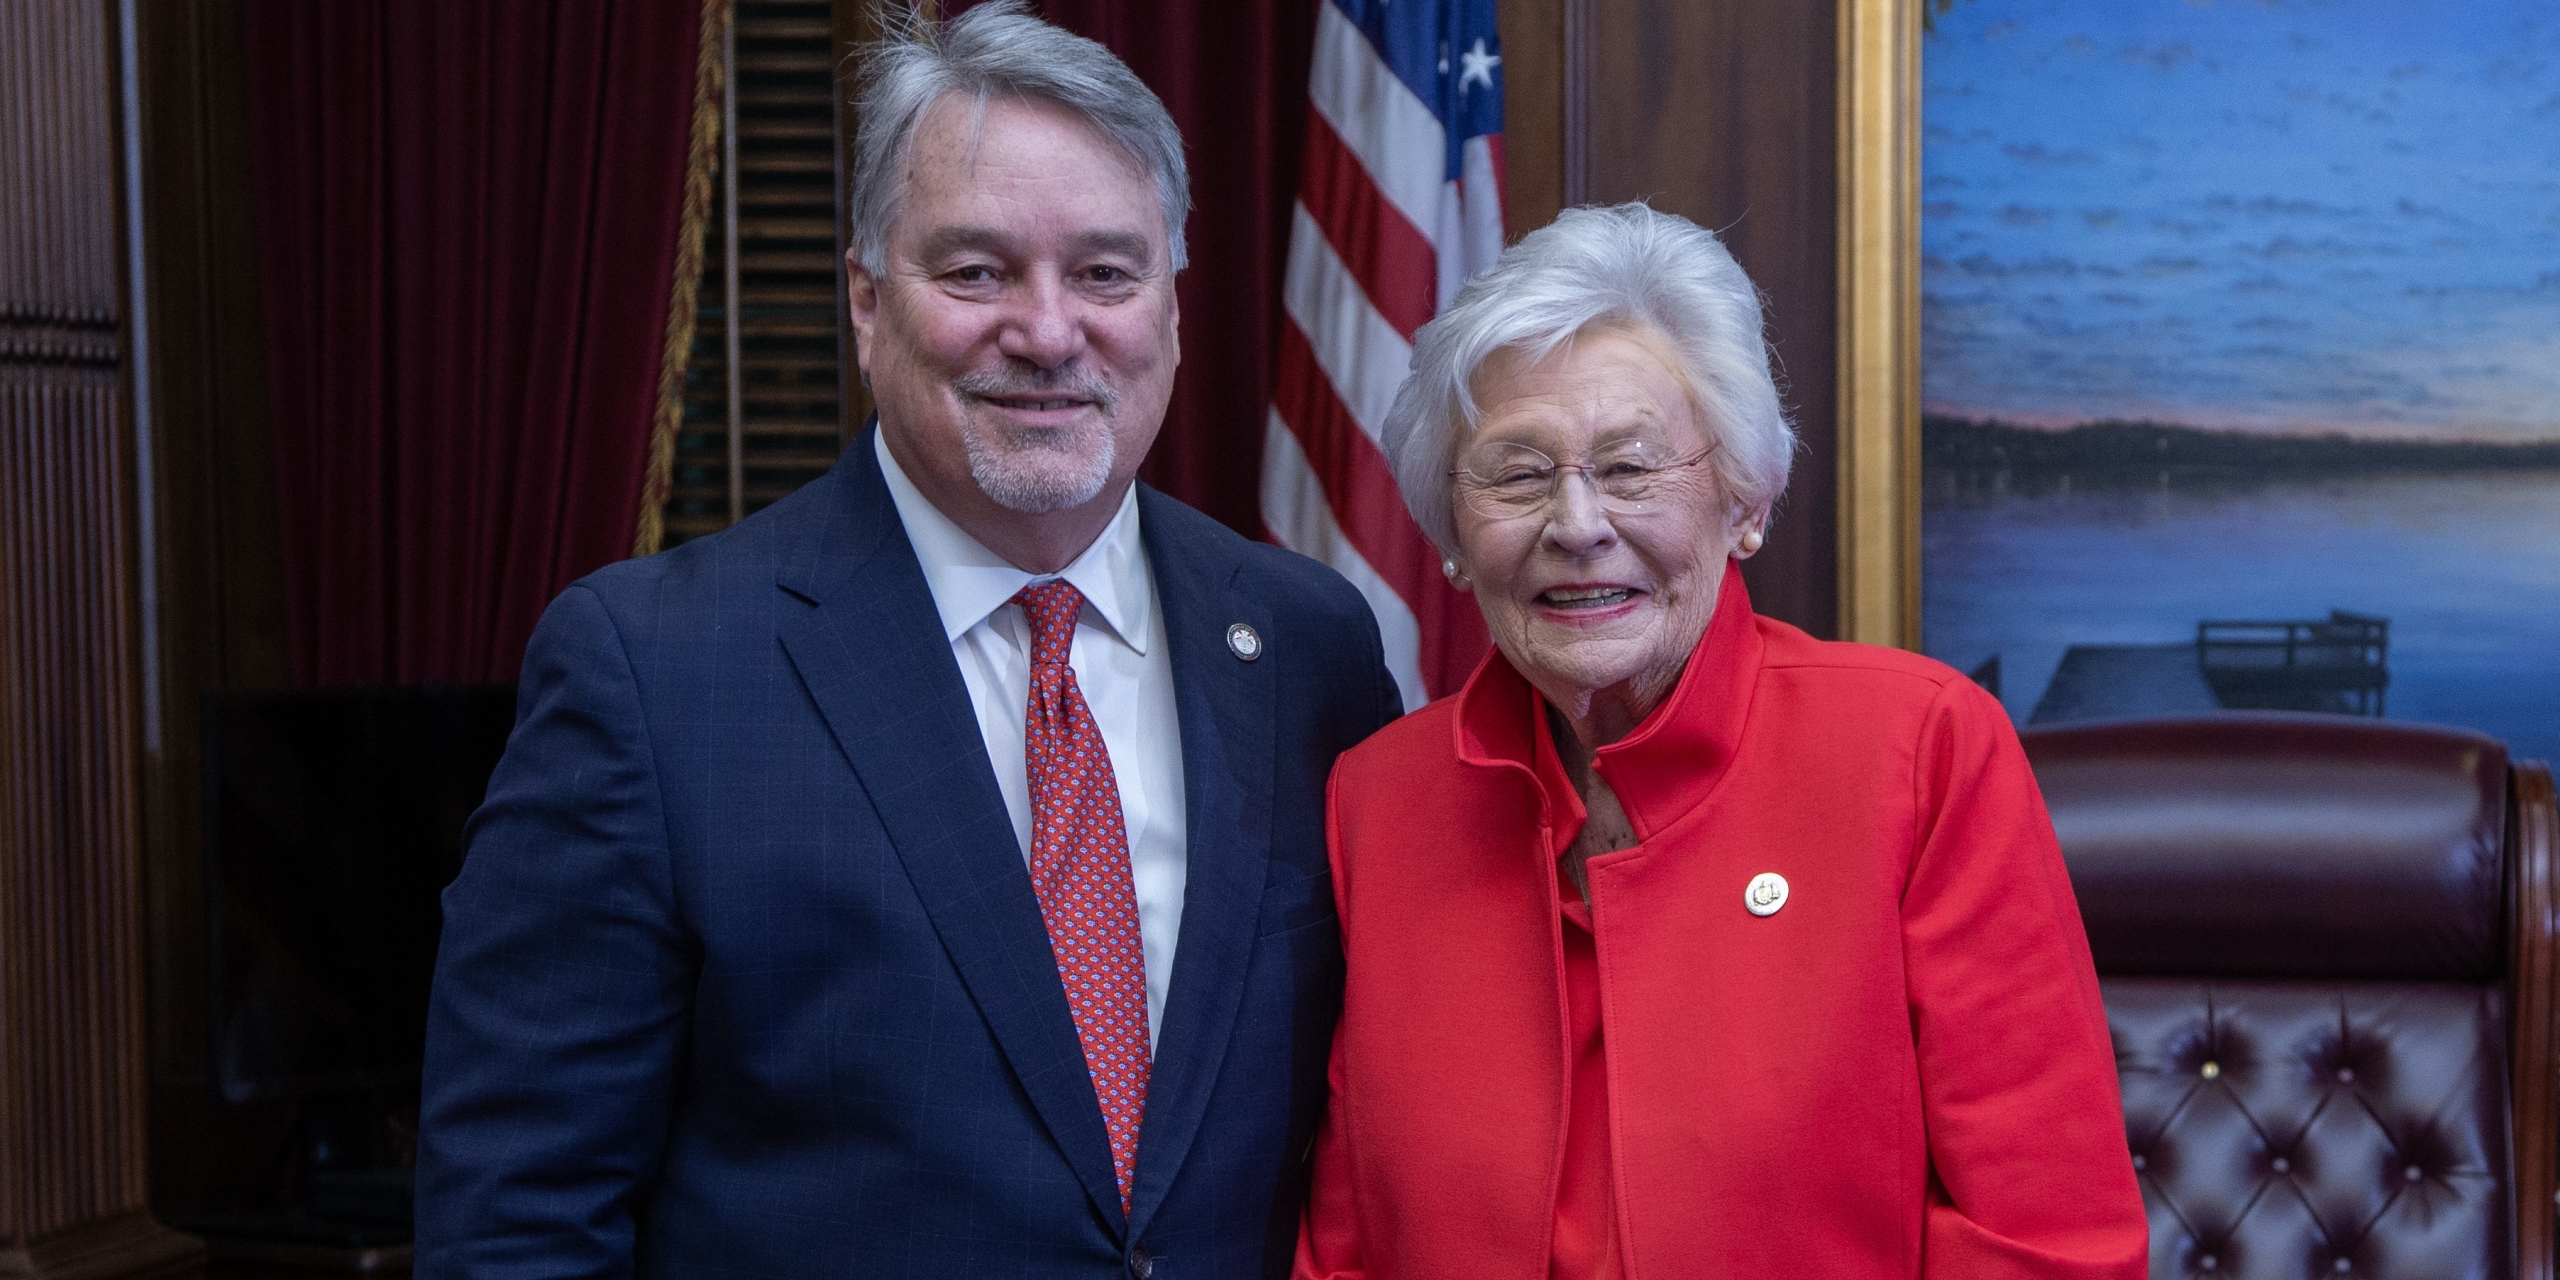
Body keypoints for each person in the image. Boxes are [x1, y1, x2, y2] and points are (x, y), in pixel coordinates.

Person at [416, 6, 1401, 1276]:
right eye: (976, 271)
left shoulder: (1311, 649)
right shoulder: (651, 672)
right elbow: (517, 1225)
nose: (1049, 333)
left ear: (1169, 307)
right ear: (869, 302)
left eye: (1104, 272)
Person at [1293, 204, 2148, 1278]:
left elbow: (2047, 1242)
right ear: (1453, 536)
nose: (1576, 523)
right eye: (1516, 473)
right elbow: (1344, 1246)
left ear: (1741, 500)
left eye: (1632, 466)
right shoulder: (1377, 800)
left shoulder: (1921, 751)